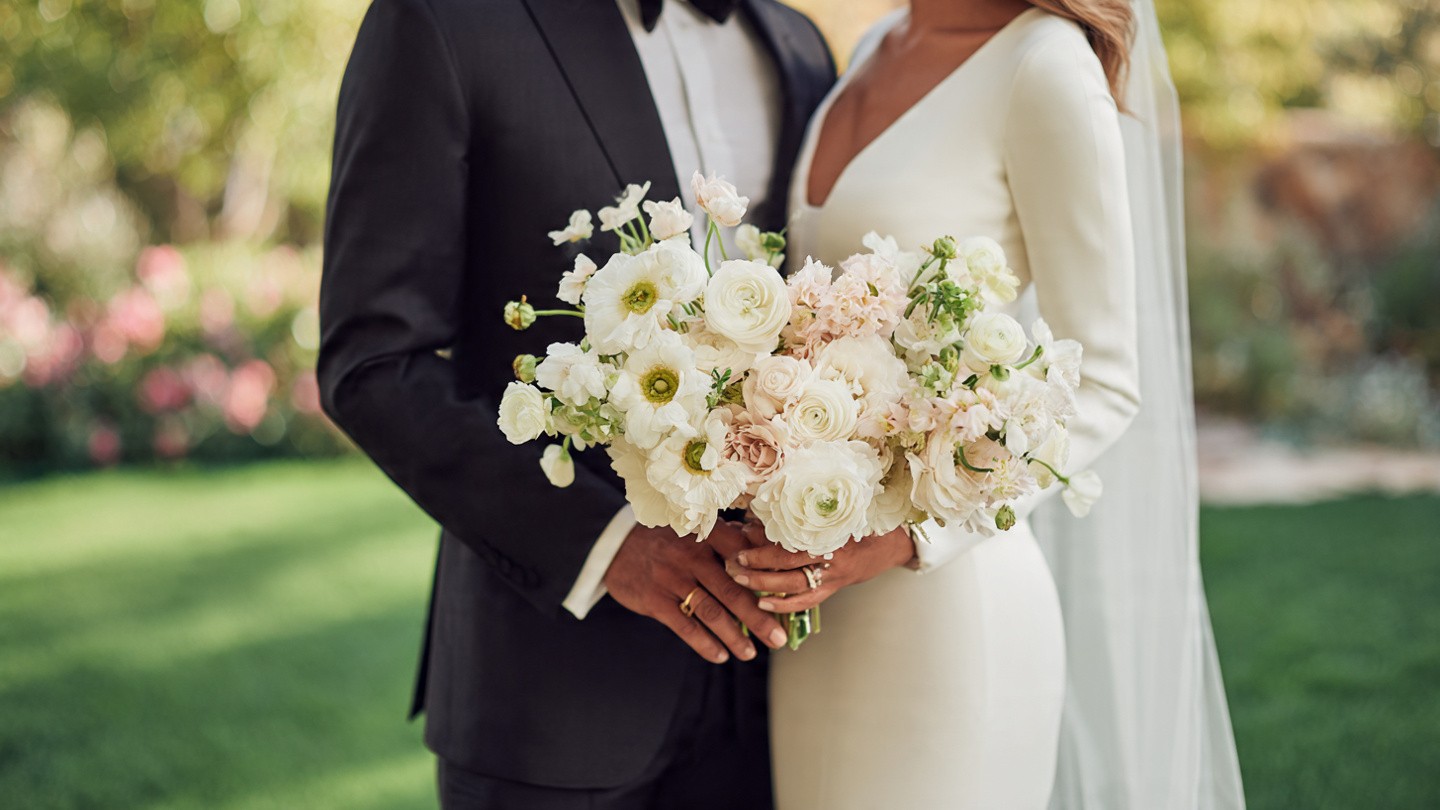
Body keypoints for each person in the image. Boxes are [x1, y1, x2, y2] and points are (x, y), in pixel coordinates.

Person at [728, 0, 1247, 807]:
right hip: (818, 606)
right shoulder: (872, 45)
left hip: (946, 604)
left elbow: (1104, 381)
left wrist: (909, 537)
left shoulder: (1043, 65)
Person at [316, 0, 833, 806]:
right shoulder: (442, 21)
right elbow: (375, 363)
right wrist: (607, 546)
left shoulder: (797, 47)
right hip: (550, 698)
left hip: (783, 702)